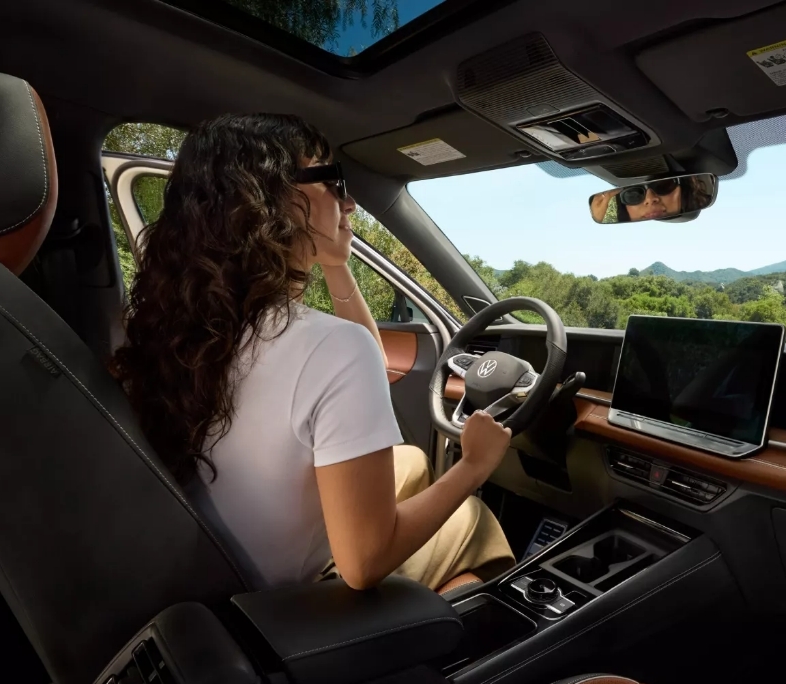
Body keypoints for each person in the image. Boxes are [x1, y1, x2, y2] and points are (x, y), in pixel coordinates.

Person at [110, 113, 516, 592]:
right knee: (469, 519)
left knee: (408, 460)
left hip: (209, 575)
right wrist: (474, 466)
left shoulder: (180, 328)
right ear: (270, 200)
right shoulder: (329, 349)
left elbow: (370, 361)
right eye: (332, 180)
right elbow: (363, 562)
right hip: (286, 604)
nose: (350, 203)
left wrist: (336, 262)